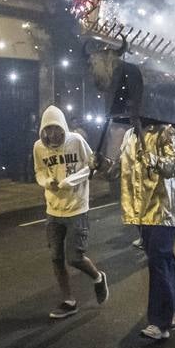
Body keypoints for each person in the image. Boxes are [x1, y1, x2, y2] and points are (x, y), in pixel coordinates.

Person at [114, 113, 175, 341]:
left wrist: (156, 161)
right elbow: (123, 167)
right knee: (164, 257)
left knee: (158, 260)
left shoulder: (166, 131)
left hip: (163, 208)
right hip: (140, 209)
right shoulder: (130, 135)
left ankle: (160, 322)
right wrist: (102, 165)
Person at [33, 105, 109, 319]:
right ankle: (68, 300)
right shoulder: (39, 147)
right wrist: (48, 182)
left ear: (62, 128)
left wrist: (69, 181)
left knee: (74, 257)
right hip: (53, 209)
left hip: (76, 207)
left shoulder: (75, 141)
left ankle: (97, 277)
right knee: (56, 257)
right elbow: (39, 171)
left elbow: (90, 165)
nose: (52, 135)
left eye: (56, 129)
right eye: (48, 131)